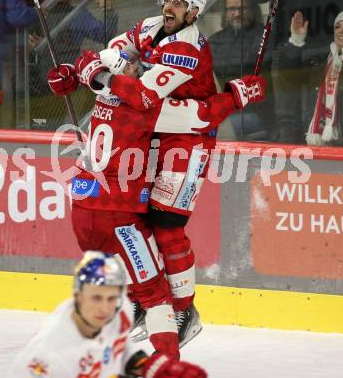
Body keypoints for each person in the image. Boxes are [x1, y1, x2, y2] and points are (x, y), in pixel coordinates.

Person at [47, 45, 265, 357]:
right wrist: (238, 94)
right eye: (132, 66)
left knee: (121, 288)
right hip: (118, 215)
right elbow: (202, 116)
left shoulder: (100, 94)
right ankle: (169, 364)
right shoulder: (144, 104)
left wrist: (68, 75)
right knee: (157, 297)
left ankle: (100, 355)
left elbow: (85, 68)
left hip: (82, 213)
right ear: (120, 74)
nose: (140, 68)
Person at [9, 251, 208, 378]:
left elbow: (122, 356)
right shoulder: (46, 355)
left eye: (112, 298)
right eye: (97, 298)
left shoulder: (112, 322)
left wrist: (156, 368)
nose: (105, 308)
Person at [249, 0, 343, 143]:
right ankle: (288, 166)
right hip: (284, 44)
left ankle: (317, 167)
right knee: (286, 117)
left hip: (317, 46)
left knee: (311, 114)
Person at [29, 0, 118, 130]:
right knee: (36, 127)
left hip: (65, 79)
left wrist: (109, 12)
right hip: (34, 79)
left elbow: (104, 35)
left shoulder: (76, 14)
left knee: (58, 128)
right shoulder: (32, 13)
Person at [285, 4, 343, 147]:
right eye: (337, 26)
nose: (341, 30)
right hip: (323, 145)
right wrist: (296, 43)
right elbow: (289, 79)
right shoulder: (325, 60)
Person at [209, 0, 274, 141]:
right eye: (232, 9)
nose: (237, 14)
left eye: (242, 8)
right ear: (225, 12)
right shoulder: (214, 40)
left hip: (254, 112)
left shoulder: (265, 37)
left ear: (252, 10)